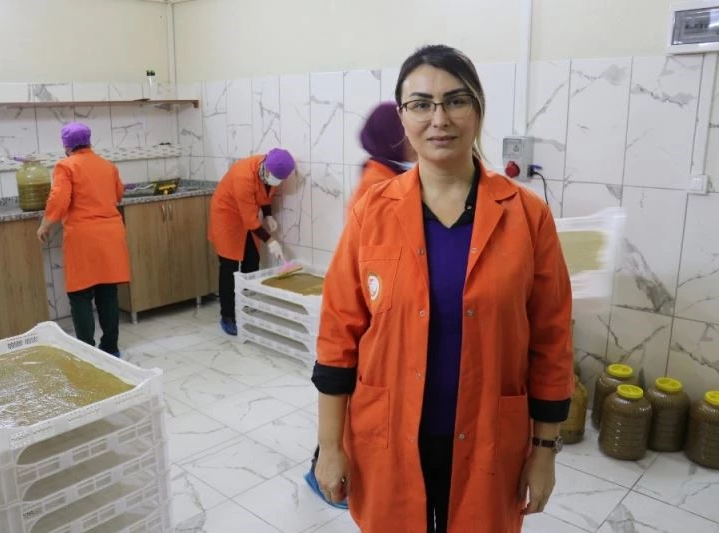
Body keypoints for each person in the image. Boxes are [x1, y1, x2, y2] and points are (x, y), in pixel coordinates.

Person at [311, 45, 573, 533]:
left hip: (490, 438)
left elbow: (551, 342)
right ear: (403, 117)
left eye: (455, 100)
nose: (439, 119)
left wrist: (544, 451)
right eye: (421, 104)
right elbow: (337, 336)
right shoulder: (372, 212)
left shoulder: (527, 217)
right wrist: (330, 446)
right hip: (388, 434)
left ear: (478, 109)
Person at [303, 101, 416, 510]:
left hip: (376, 304)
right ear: (395, 139)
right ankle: (321, 470)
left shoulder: (388, 172)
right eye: (408, 130)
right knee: (349, 403)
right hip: (368, 309)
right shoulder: (377, 183)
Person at [37, 122, 131, 358]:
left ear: (66, 146)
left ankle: (87, 353)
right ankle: (111, 348)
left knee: (80, 295)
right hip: (111, 235)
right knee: (107, 292)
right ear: (89, 141)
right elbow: (119, 194)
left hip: (83, 238)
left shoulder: (66, 166)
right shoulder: (107, 165)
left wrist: (45, 224)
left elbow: (59, 199)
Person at [208, 149, 295, 336]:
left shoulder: (272, 169)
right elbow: (250, 221)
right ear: (265, 168)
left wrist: (269, 214)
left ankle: (246, 306)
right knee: (229, 266)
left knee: (252, 260)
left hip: (247, 214)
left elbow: (265, 193)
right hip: (227, 216)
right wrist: (270, 241)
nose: (274, 182)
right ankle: (228, 316)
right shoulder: (243, 177)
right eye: (272, 178)